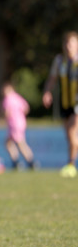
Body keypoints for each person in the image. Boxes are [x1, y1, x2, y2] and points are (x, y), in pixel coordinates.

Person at [43, 31, 78, 178]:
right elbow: (52, 78)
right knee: (69, 137)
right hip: (65, 103)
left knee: (72, 135)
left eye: (71, 43)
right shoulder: (59, 61)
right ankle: (70, 164)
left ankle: (70, 165)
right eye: (66, 43)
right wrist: (47, 92)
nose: (68, 46)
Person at [1, 82, 37, 170]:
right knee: (9, 142)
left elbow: (7, 113)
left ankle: (29, 162)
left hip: (14, 124)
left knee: (20, 144)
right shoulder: (17, 97)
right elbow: (26, 108)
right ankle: (17, 161)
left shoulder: (8, 99)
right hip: (21, 123)